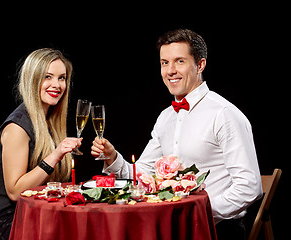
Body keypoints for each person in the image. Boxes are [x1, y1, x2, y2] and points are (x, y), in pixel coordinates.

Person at [91, 29, 263, 239]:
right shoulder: (165, 117)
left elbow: (249, 187)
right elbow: (141, 175)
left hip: (215, 229)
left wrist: (199, 212)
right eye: (164, 63)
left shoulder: (224, 114)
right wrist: (113, 157)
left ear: (200, 65)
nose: (170, 70)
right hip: (172, 227)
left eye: (179, 61)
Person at [0, 48, 81, 239]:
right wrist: (55, 155)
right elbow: (15, 192)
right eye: (47, 77)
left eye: (62, 78)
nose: (56, 85)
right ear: (33, 79)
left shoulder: (49, 122)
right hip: (2, 224)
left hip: (33, 217)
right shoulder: (17, 127)